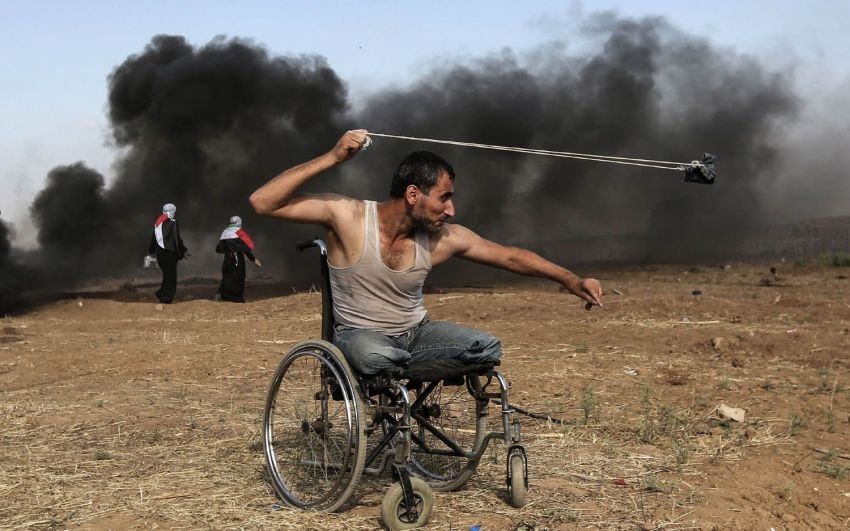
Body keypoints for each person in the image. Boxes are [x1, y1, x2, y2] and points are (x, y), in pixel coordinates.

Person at [249, 130, 603, 376]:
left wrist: (570, 280)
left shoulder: (441, 239)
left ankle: (407, 367)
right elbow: (262, 202)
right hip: (360, 336)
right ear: (413, 195)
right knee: (376, 356)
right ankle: (407, 367)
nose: (451, 210)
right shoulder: (348, 217)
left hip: (416, 336)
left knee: (487, 348)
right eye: (445, 198)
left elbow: (510, 256)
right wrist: (332, 157)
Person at [216, 215, 262, 302]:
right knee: (238, 277)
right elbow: (245, 248)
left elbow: (219, 248)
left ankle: (224, 296)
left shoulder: (225, 232)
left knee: (227, 276)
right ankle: (236, 298)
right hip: (237, 258)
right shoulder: (239, 232)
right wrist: (253, 259)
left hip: (227, 259)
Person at [148, 203, 188, 304]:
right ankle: (166, 298)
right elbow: (176, 239)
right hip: (170, 253)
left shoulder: (158, 222)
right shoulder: (173, 222)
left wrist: (151, 251)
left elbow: (154, 239)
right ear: (172, 211)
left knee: (167, 274)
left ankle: (162, 293)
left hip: (160, 254)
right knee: (171, 277)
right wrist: (182, 251)